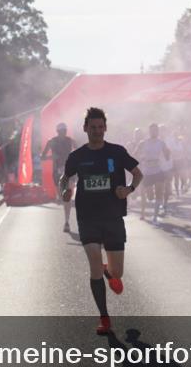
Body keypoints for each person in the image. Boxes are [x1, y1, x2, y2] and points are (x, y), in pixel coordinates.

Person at [60, 107, 143, 335]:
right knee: (94, 266)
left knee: (117, 273)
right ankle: (104, 317)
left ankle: (110, 271)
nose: (97, 131)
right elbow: (65, 178)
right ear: (85, 128)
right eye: (92, 127)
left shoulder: (117, 152)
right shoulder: (77, 156)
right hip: (87, 217)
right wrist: (64, 191)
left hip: (113, 217)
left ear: (105, 128)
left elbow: (138, 174)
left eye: (100, 127)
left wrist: (129, 189)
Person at [42, 122, 76, 232]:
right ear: (57, 132)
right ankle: (60, 199)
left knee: (67, 196)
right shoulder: (51, 142)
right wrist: (51, 157)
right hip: (57, 172)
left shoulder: (70, 141)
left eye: (64, 131)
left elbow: (79, 152)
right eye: (61, 131)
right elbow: (42, 157)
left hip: (69, 171)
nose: (63, 133)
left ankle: (67, 222)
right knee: (62, 198)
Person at [137, 124, 170, 222]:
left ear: (158, 132)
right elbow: (135, 154)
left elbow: (167, 157)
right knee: (150, 196)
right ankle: (146, 210)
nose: (154, 132)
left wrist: (167, 153)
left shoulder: (161, 143)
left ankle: (155, 216)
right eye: (152, 130)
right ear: (149, 132)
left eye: (156, 130)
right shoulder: (143, 143)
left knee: (159, 192)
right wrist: (141, 158)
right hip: (147, 172)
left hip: (158, 170)